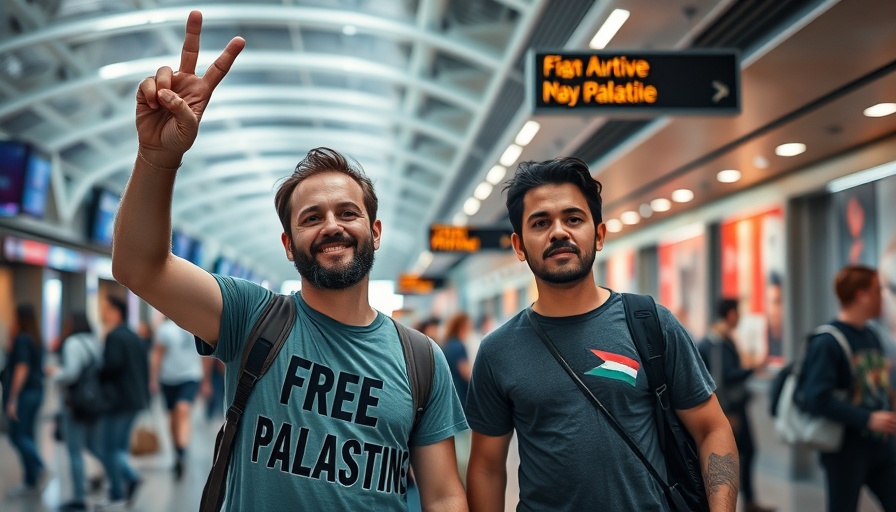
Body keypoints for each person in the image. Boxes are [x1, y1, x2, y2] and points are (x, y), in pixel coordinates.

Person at [110, 11, 467, 511]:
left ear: (376, 232)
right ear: (287, 244)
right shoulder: (252, 317)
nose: (332, 226)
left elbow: (445, 493)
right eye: (311, 217)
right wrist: (157, 156)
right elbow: (138, 267)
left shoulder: (422, 361)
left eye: (347, 212)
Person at [465, 157, 739, 512]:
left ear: (599, 235)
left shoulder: (650, 323)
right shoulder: (498, 351)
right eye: (541, 222)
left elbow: (711, 428)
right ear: (519, 246)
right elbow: (486, 467)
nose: (559, 232)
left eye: (573, 219)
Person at [801, 264, 896, 512]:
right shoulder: (828, 341)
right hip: (845, 451)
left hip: (882, 447)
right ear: (861, 295)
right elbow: (817, 398)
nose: (882, 297)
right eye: (878, 290)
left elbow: (876, 389)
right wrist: (867, 418)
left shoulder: (872, 336)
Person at [698, 299, 774, 512]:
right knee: (732, 455)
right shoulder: (717, 342)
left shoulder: (722, 340)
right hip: (729, 409)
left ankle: (746, 500)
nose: (739, 317)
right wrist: (753, 369)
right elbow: (723, 379)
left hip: (734, 407)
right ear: (731, 314)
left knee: (744, 452)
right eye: (738, 313)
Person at [49, 311, 105, 511]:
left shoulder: (72, 343)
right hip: (93, 402)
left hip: (75, 403)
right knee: (92, 444)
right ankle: (122, 473)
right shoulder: (93, 341)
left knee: (74, 451)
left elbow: (71, 373)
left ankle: (79, 498)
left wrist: (55, 374)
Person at [98, 295, 150, 507]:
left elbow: (113, 366)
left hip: (118, 401)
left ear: (116, 312)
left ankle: (124, 485)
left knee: (109, 448)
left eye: (106, 309)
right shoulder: (134, 336)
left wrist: (97, 373)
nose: (103, 313)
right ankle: (120, 488)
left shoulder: (115, 337)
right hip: (135, 399)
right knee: (118, 447)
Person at [2, 304, 49, 498]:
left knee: (17, 436)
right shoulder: (36, 339)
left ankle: (40, 467)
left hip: (24, 394)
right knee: (26, 435)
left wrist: (12, 398)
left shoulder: (22, 339)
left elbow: (22, 368)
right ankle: (31, 479)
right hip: (36, 392)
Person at [150, 317, 204, 480]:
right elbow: (158, 354)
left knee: (183, 409)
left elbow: (205, 356)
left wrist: (206, 380)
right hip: (168, 379)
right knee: (172, 418)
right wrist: (153, 379)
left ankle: (183, 449)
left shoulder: (197, 325)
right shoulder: (165, 329)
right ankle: (177, 451)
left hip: (190, 376)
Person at [441, 311, 473, 484]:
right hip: (462, 402)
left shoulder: (447, 344)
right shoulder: (458, 346)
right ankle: (462, 485)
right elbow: (466, 373)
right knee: (464, 451)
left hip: (451, 402)